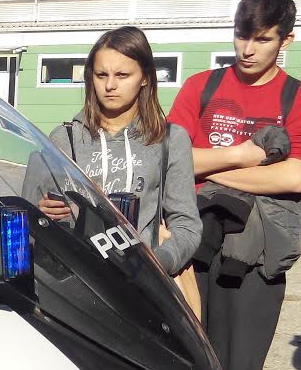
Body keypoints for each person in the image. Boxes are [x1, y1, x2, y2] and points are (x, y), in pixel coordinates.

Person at [166, 0, 301, 370]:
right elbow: (171, 158)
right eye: (241, 35)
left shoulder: (299, 98)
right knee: (183, 362)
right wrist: (243, 155)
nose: (248, 49)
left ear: (286, 40)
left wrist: (212, 167)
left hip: (254, 255)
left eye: (263, 39)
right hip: (192, 242)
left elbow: (294, 177)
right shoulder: (201, 86)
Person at [38, 27, 200, 276]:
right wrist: (43, 214)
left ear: (145, 77)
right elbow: (40, 221)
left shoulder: (169, 139)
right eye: (101, 75)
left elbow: (187, 224)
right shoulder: (64, 138)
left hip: (143, 280)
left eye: (122, 75)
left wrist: (160, 262)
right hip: (79, 278)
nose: (110, 85)